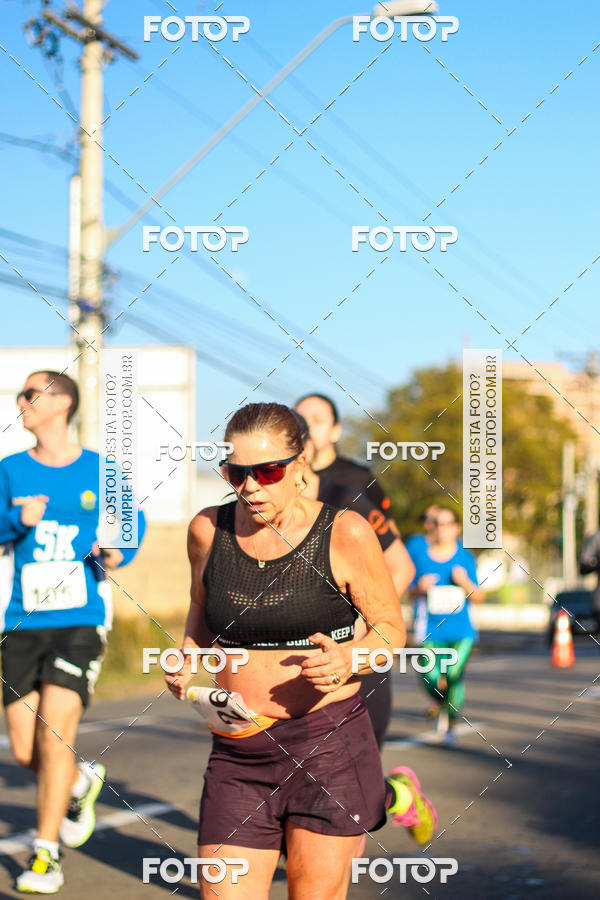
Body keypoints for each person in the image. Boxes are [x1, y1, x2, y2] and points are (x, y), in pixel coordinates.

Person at [166, 403, 435, 899]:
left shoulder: (346, 532)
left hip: (328, 747)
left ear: (299, 465)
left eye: (266, 471)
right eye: (235, 472)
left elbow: (390, 630)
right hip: (239, 751)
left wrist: (350, 657)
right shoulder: (208, 530)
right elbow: (201, 615)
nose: (250, 486)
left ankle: (393, 794)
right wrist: (188, 655)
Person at [0, 370, 146, 894]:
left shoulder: (100, 470)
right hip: (21, 620)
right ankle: (81, 781)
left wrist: (115, 551)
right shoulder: (11, 470)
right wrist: (17, 520)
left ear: (60, 402)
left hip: (80, 620)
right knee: (23, 749)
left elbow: (131, 521)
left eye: (28, 393)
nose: (19, 402)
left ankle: (45, 855)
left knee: (54, 730)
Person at [294, 410, 414, 748]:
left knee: (360, 769)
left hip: (356, 649)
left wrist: (366, 624)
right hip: (299, 665)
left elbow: (399, 564)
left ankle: (397, 797)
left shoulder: (353, 489)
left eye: (315, 419)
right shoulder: (254, 505)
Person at [407, 506, 484, 746]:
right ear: (432, 527)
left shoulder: (465, 557)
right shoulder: (420, 554)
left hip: (461, 631)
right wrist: (420, 587)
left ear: (456, 528)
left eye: (448, 524)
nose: (443, 529)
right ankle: (440, 702)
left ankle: (451, 724)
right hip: (430, 629)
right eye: (438, 524)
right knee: (429, 676)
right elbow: (410, 593)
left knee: (452, 674)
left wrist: (464, 582)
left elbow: (479, 596)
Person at [295, 393, 398, 534]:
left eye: (317, 420)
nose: (307, 427)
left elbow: (389, 538)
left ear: (335, 431)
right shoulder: (280, 476)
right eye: (300, 420)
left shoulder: (361, 478)